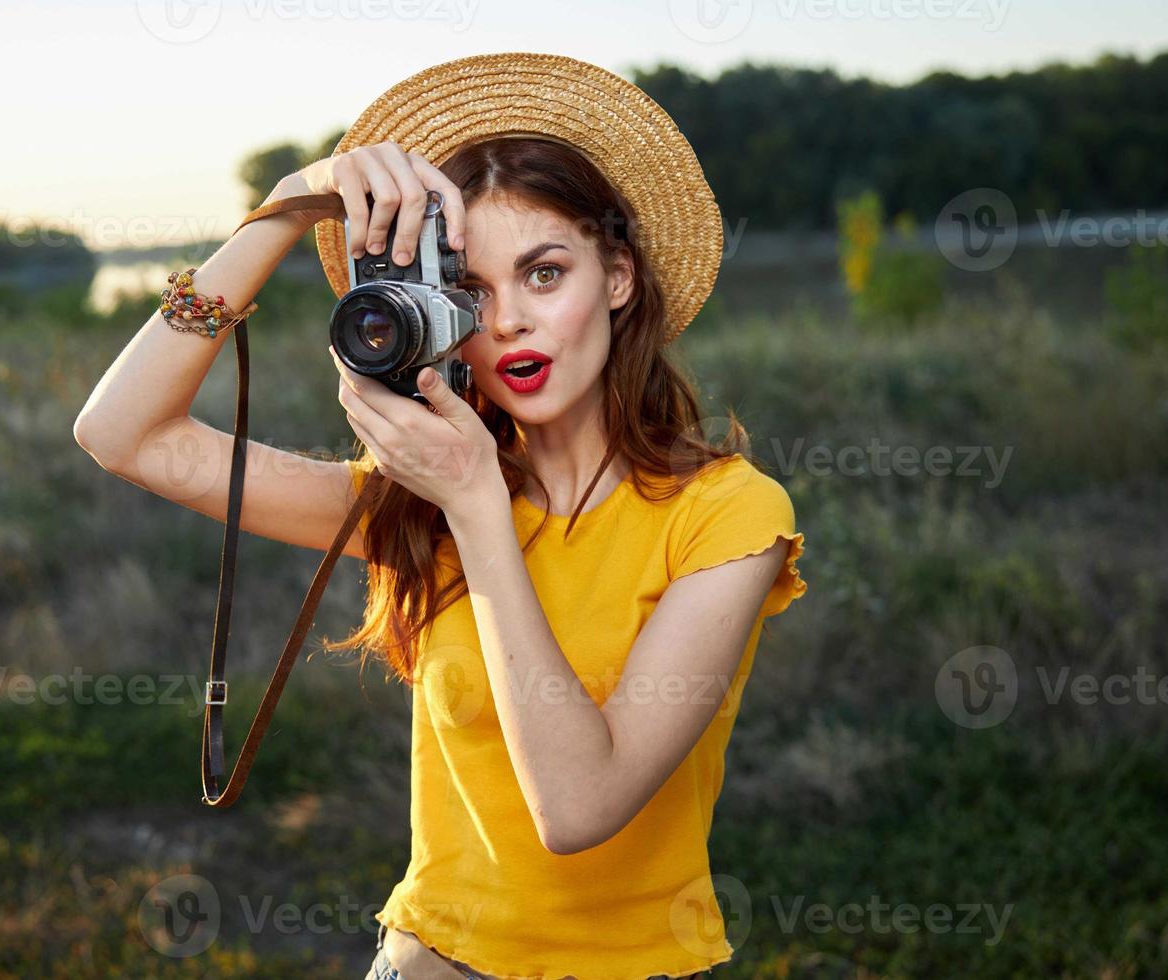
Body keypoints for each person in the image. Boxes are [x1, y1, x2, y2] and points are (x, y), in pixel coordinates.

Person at [75, 52, 807, 980]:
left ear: (618, 278)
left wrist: (476, 505)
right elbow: (121, 432)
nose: (506, 324)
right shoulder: (409, 502)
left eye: (545, 274)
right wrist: (288, 208)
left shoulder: (727, 514)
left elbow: (578, 809)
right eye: (469, 290)